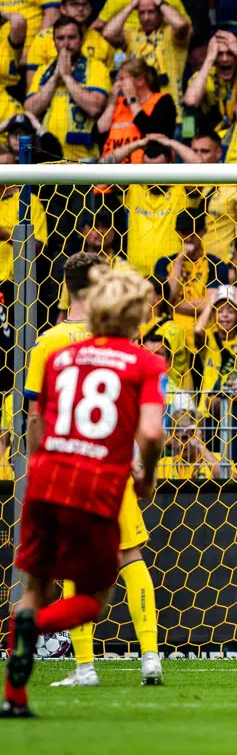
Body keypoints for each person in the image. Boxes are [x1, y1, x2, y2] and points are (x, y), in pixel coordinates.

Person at [2, 269, 166, 719]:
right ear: (137, 317)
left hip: (47, 476)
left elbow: (41, 418)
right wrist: (146, 476)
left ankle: (13, 696)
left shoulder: (60, 356)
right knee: (93, 599)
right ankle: (34, 628)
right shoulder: (144, 362)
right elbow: (151, 432)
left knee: (36, 585)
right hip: (95, 484)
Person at [24, 16, 109, 160]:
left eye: (71, 37)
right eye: (60, 38)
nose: (66, 44)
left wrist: (67, 77)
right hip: (47, 158)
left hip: (83, 159)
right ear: (54, 41)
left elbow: (95, 107)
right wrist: (56, 78)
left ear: (81, 40)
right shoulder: (43, 70)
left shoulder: (96, 67)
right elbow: (30, 110)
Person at [99, 0, 191, 101]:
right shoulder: (131, 34)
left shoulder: (171, 34)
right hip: (138, 108)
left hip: (169, 107)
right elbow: (108, 33)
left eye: (151, 11)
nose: (146, 17)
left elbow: (181, 25)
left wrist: (161, 3)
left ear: (161, 12)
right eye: (142, 12)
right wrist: (131, 5)